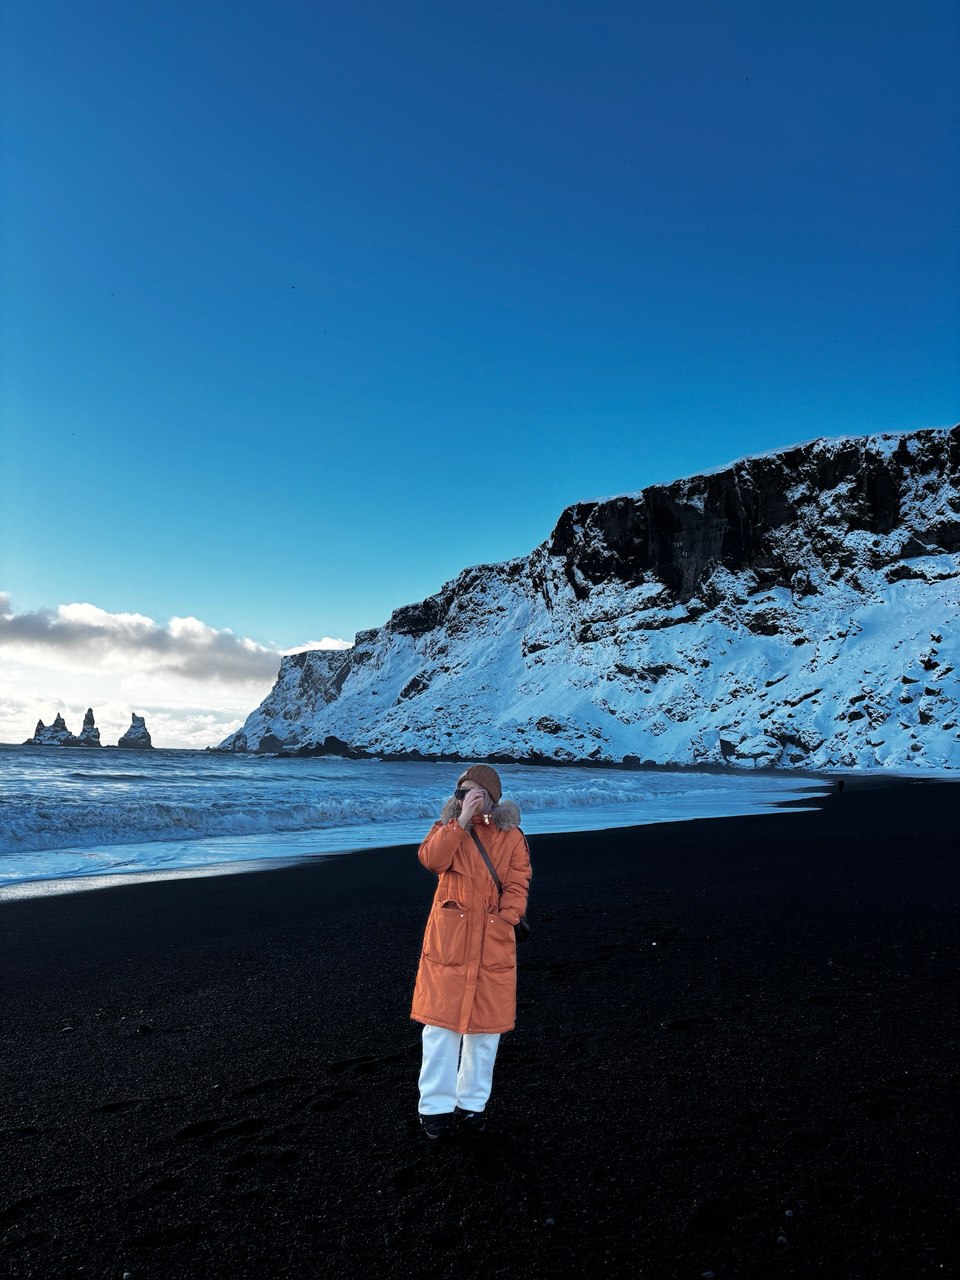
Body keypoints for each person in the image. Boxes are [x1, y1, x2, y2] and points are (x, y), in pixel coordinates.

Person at [411, 764, 531, 1138]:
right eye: (464, 791)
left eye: (478, 792)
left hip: (492, 941)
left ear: (494, 798)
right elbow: (431, 860)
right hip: (449, 942)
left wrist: (506, 920)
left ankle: (472, 1105)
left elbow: (518, 880)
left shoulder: (512, 836)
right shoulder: (448, 829)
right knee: (440, 1028)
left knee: (484, 1031)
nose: (471, 797)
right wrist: (460, 821)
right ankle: (434, 1108)